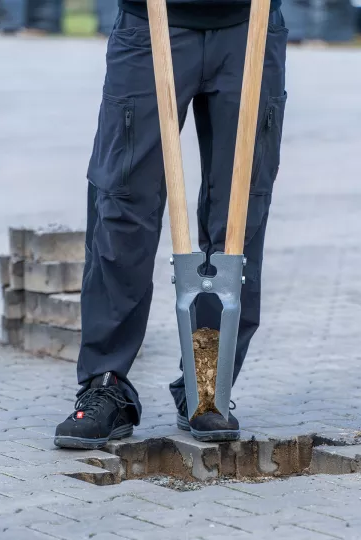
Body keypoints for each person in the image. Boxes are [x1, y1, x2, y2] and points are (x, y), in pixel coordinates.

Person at [54, 0, 288, 450]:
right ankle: (107, 384)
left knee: (239, 211)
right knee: (123, 207)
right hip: (149, 24)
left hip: (249, 23)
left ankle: (207, 386)